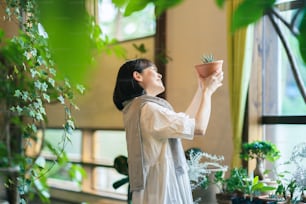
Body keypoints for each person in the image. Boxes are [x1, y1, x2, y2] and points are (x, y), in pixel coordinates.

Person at [113, 58, 223, 204]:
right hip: (163, 185)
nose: (159, 75)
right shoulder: (150, 110)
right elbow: (198, 127)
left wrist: (202, 89)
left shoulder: (138, 108)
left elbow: (186, 121)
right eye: (153, 71)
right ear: (137, 76)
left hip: (153, 184)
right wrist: (207, 92)